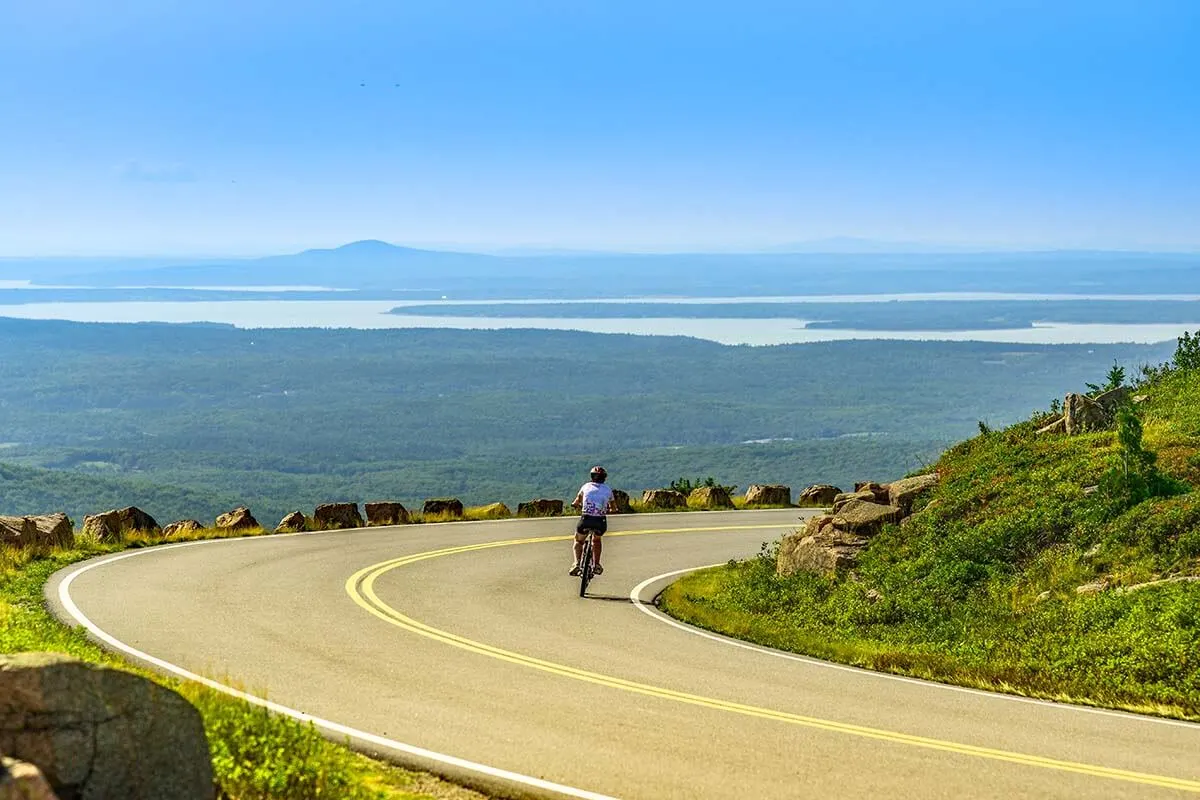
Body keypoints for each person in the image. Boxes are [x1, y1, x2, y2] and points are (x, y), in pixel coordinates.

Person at [570, 465, 616, 576]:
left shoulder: (586, 486)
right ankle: (597, 565)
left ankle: (576, 563)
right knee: (596, 540)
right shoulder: (608, 489)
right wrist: (612, 509)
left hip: (586, 519)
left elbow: (576, 501)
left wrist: (576, 505)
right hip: (600, 521)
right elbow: (613, 507)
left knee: (579, 540)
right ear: (604, 478)